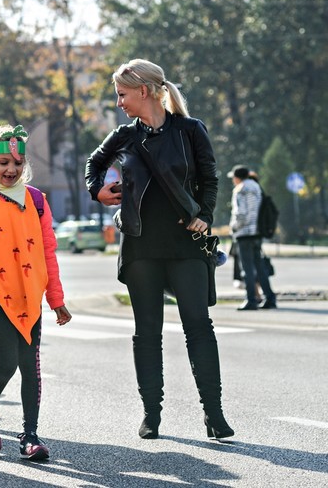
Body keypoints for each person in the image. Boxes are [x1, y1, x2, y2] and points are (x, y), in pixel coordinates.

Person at [84, 59, 235, 441]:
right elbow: (93, 165)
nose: (119, 102)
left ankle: (214, 414)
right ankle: (151, 414)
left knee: (199, 327)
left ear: (144, 91)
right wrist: (98, 191)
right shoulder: (124, 136)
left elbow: (209, 178)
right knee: (147, 332)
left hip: (186, 242)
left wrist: (205, 215)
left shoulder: (190, 130)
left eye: (122, 94)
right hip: (141, 245)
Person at [0, 125, 71, 460]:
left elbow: (48, 252)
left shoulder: (37, 201)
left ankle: (30, 434)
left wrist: (56, 299)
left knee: (30, 365)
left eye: (18, 163)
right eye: (4, 162)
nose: (11, 169)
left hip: (29, 295)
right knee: (6, 363)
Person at [228, 165, 276, 310]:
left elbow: (241, 214)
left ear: (237, 177)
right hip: (257, 232)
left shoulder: (241, 189)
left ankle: (251, 300)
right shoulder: (256, 187)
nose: (233, 180)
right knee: (260, 268)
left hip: (244, 233)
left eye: (233, 178)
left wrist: (233, 227)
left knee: (247, 269)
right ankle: (270, 298)